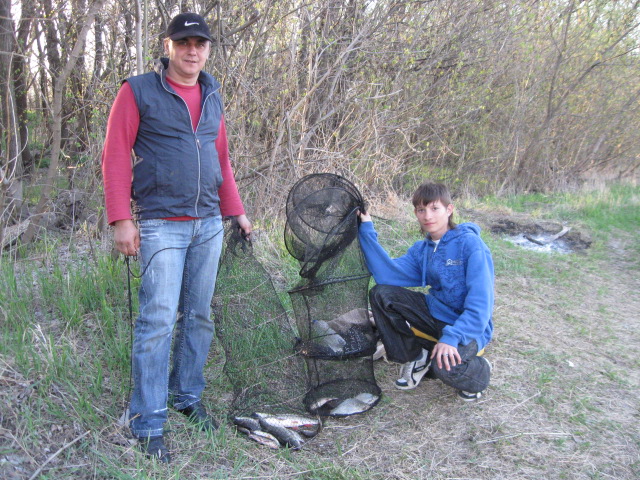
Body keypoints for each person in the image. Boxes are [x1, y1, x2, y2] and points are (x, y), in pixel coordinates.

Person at [101, 12, 252, 463]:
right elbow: (115, 155)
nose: (192, 51)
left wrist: (236, 211)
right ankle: (147, 420)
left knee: (199, 316)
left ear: (208, 50)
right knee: (158, 321)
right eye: (183, 42)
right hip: (161, 223)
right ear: (167, 46)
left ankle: (187, 396)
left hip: (208, 223)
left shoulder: (212, 94)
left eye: (199, 43)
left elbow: (221, 159)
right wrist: (120, 218)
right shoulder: (137, 91)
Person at [358, 182, 493, 400]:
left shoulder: (470, 245)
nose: (428, 216)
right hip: (435, 313)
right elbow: (386, 274)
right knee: (382, 294)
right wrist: (366, 228)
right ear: (416, 213)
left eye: (434, 208)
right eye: (421, 210)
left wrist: (452, 337)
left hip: (467, 326)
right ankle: (416, 356)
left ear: (449, 210)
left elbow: (481, 304)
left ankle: (479, 370)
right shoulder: (422, 250)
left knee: (445, 369)